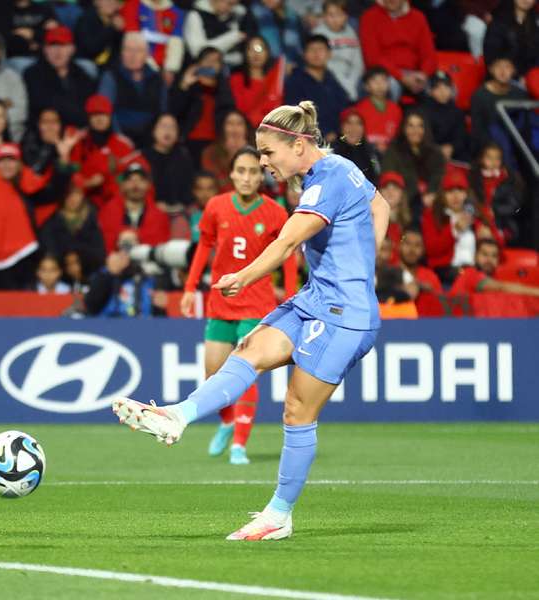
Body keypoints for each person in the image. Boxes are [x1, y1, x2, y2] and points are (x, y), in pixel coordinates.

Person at [112, 100, 390, 541]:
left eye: (267, 153)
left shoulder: (327, 179)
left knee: (297, 411)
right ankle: (178, 416)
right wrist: (365, 261)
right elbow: (382, 207)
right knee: (250, 350)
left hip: (345, 315)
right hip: (317, 299)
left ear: (298, 144)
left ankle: (278, 515)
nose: (263, 163)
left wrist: (243, 276)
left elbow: (285, 244)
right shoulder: (335, 168)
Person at [181, 146, 295, 465]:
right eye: (241, 171)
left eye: (253, 171)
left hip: (256, 303)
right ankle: (228, 422)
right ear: (231, 174)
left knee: (245, 370)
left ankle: (239, 446)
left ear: (262, 175)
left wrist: (288, 294)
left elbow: (286, 254)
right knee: (214, 373)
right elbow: (204, 245)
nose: (247, 177)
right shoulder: (216, 206)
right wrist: (190, 288)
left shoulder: (275, 212)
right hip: (221, 300)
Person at [0, 134, 80, 289]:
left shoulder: (29, 186)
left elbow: (53, 192)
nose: (7, 165)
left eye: (11, 160)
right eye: (2, 161)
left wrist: (63, 158)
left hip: (23, 258)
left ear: (19, 164)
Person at [97, 32, 167, 147]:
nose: (132, 55)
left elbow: (163, 112)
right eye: (128, 50)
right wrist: (118, 136)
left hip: (152, 139)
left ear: (146, 55)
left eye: (138, 51)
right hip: (119, 136)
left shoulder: (157, 78)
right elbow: (105, 111)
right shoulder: (111, 76)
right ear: (122, 53)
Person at [168, 47, 236, 164]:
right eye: (207, 59)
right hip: (188, 142)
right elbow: (173, 112)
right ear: (198, 63)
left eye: (216, 61)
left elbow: (228, 110)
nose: (210, 63)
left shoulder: (224, 87)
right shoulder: (187, 84)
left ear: (221, 66)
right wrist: (184, 85)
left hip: (215, 144)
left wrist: (218, 84)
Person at [359, 0, 437, 98]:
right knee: (389, 85)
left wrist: (423, 74)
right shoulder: (369, 16)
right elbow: (373, 58)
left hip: (414, 73)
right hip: (384, 73)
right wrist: (401, 77)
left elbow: (429, 54)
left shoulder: (418, 17)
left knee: (444, 88)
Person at [23, 26, 96, 128]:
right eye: (53, 45)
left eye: (63, 45)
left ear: (72, 49)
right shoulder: (32, 74)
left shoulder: (82, 75)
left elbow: (89, 109)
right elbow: (42, 105)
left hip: (77, 132)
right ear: (45, 49)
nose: (58, 51)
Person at [68, 94, 135, 207]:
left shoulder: (123, 145)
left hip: (115, 202)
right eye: (95, 115)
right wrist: (87, 183)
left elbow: (129, 176)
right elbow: (73, 170)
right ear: (88, 118)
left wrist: (111, 180)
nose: (99, 119)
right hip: (84, 201)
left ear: (109, 117)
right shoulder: (78, 142)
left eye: (103, 114)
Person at [283, 34, 350, 142]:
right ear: (304, 55)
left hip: (336, 139)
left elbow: (345, 107)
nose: (316, 54)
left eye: (320, 49)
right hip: (308, 141)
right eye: (311, 49)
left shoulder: (331, 80)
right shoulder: (295, 81)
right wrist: (324, 133)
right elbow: (295, 116)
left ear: (329, 54)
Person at [381, 110, 446, 215]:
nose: (415, 130)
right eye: (410, 126)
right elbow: (389, 178)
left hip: (431, 202)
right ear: (404, 129)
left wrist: (431, 193)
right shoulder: (394, 151)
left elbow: (439, 176)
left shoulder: (435, 153)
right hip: (404, 203)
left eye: (420, 126)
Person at [98, 160, 170, 251]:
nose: (135, 185)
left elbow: (160, 245)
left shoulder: (159, 215)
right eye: (130, 180)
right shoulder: (108, 212)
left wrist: (135, 236)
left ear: (148, 185)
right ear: (122, 185)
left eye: (141, 180)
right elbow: (104, 244)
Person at [449, 238, 539, 298]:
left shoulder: (495, 277)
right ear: (475, 257)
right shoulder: (471, 274)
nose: (489, 259)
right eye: (484, 254)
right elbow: (502, 288)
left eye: (494, 256)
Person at [141, 114, 195, 213]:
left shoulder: (184, 158)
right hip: (148, 209)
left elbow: (189, 190)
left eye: (172, 127)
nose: (168, 131)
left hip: (179, 210)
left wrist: (180, 205)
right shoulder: (142, 157)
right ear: (153, 130)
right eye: (163, 126)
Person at [312, 0, 363, 101]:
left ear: (346, 16)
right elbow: (320, 63)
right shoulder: (318, 33)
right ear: (324, 16)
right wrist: (344, 82)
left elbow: (358, 62)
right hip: (329, 75)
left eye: (339, 15)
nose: (335, 19)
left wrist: (352, 80)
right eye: (331, 15)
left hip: (351, 76)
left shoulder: (351, 32)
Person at [183, 0, 257, 71]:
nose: (232, 8)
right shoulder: (195, 15)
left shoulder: (238, 14)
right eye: (230, 4)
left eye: (235, 4)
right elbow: (198, 52)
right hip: (202, 72)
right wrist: (233, 37)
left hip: (231, 72)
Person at [229, 35, 283, 128]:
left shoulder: (276, 81)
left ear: (267, 53)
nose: (256, 53)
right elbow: (238, 111)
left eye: (260, 49)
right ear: (245, 53)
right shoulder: (236, 80)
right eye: (251, 49)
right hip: (246, 131)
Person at [416, 70, 469, 162]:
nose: (443, 91)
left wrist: (452, 148)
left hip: (453, 154)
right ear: (430, 91)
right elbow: (420, 138)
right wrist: (437, 150)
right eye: (438, 87)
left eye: (446, 87)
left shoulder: (457, 112)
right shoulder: (422, 110)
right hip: (429, 154)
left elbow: (461, 136)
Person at [352, 67, 402, 154]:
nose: (379, 85)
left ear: (389, 84)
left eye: (383, 80)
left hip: (391, 152)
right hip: (366, 151)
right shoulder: (359, 108)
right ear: (366, 86)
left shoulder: (396, 109)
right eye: (374, 81)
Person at [201, 110, 251, 192]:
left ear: (246, 129)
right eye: (230, 124)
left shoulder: (257, 152)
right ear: (222, 128)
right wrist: (231, 155)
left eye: (239, 124)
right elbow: (213, 183)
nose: (235, 129)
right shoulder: (210, 152)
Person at [332, 107, 380, 185]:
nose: (354, 128)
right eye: (349, 123)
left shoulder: (371, 153)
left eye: (358, 123)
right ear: (341, 127)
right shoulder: (330, 153)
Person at [74, 0, 125, 71]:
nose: (110, 3)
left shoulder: (118, 20)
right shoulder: (86, 19)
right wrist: (111, 28)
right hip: (87, 62)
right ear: (96, 2)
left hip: (108, 66)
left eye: (114, 1)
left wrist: (121, 32)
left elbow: (119, 50)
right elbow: (91, 48)